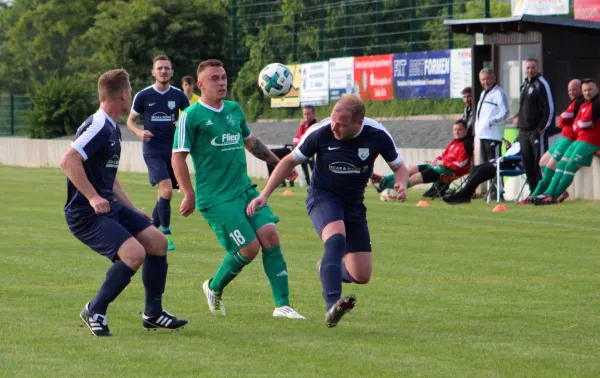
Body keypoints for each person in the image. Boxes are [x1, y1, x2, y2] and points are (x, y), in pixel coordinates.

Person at [246, 95, 409, 328]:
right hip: (323, 197)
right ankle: (332, 305)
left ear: (359, 122)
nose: (334, 126)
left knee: (362, 275)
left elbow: (400, 168)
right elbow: (288, 162)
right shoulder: (320, 132)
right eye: (333, 120)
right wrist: (264, 195)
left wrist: (402, 184)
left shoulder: (378, 134)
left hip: (354, 203)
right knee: (335, 241)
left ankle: (327, 268)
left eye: (341, 123)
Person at [171, 59, 305, 320]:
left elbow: (252, 143)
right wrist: (188, 192)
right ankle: (213, 288)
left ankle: (282, 305)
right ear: (200, 85)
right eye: (214, 79)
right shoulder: (191, 116)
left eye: (223, 77)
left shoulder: (233, 109)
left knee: (270, 236)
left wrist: (281, 164)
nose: (221, 83)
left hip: (244, 190)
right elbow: (177, 157)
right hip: (215, 198)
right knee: (249, 249)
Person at [61, 69, 187, 337]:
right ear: (124, 94)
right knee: (134, 254)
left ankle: (153, 314)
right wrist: (93, 197)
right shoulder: (98, 125)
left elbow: (111, 176)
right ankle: (94, 310)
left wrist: (129, 207)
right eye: (129, 90)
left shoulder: (111, 127)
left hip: (109, 207)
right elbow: (68, 161)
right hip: (86, 213)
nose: (131, 94)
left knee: (157, 242)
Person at [127, 55, 190, 251]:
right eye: (160, 68)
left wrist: (181, 123)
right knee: (167, 189)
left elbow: (191, 118)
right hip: (152, 150)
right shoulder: (143, 95)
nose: (163, 71)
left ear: (172, 72)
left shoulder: (179, 96)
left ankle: (146, 232)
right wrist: (139, 132)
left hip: (173, 151)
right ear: (153, 72)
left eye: (167, 68)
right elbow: (130, 121)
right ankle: (167, 234)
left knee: (164, 194)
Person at [532, 78, 600, 205]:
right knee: (561, 165)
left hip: (591, 141)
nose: (587, 93)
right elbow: (577, 123)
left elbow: (584, 123)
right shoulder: (585, 104)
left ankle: (552, 196)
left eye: (590, 90)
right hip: (580, 139)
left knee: (569, 166)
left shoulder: (597, 103)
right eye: (585, 90)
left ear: (596, 88)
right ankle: (548, 194)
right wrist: (579, 124)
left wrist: (579, 124)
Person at [519, 79, 583, 204]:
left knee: (550, 166)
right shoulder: (574, 103)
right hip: (563, 137)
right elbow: (562, 120)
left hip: (571, 139)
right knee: (542, 162)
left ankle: (537, 196)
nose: (572, 92)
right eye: (569, 90)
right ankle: (559, 192)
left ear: (580, 90)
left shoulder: (580, 102)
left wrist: (564, 117)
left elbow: (564, 118)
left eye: (575, 89)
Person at [371, 120, 472, 193]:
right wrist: (437, 160)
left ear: (466, 130)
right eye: (455, 130)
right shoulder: (454, 142)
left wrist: (442, 163)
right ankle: (384, 179)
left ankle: (385, 185)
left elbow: (460, 165)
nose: (457, 132)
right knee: (410, 168)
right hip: (439, 166)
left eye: (460, 130)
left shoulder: (466, 144)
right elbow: (443, 155)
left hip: (447, 172)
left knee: (415, 178)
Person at [516, 58, 555, 194]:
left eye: (533, 68)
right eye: (528, 68)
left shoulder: (542, 84)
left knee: (540, 162)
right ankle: (533, 191)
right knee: (527, 163)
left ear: (538, 69)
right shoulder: (523, 85)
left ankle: (544, 191)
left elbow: (549, 108)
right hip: (523, 131)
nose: (530, 70)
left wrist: (542, 128)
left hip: (536, 131)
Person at [444, 139, 521, 205]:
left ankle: (463, 195)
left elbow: (524, 156)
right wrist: (509, 147)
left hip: (513, 164)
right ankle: (465, 194)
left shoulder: (526, 137)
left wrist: (506, 158)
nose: (515, 121)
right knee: (475, 168)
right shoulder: (519, 137)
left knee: (482, 171)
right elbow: (513, 152)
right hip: (505, 161)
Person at [475, 68, 509, 163]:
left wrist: (491, 121)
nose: (485, 82)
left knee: (494, 164)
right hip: (482, 135)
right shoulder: (483, 94)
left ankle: (495, 179)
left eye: (488, 79)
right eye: (483, 79)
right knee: (485, 165)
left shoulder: (499, 93)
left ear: (494, 79)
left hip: (493, 136)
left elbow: (505, 112)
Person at [293, 105, 318, 185]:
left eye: (308, 114)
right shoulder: (304, 125)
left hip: (314, 150)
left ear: (314, 114)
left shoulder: (316, 126)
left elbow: (307, 137)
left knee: (312, 163)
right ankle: (307, 181)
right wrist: (301, 126)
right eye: (304, 114)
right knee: (302, 161)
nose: (306, 116)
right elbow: (297, 138)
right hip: (304, 150)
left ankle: (315, 181)